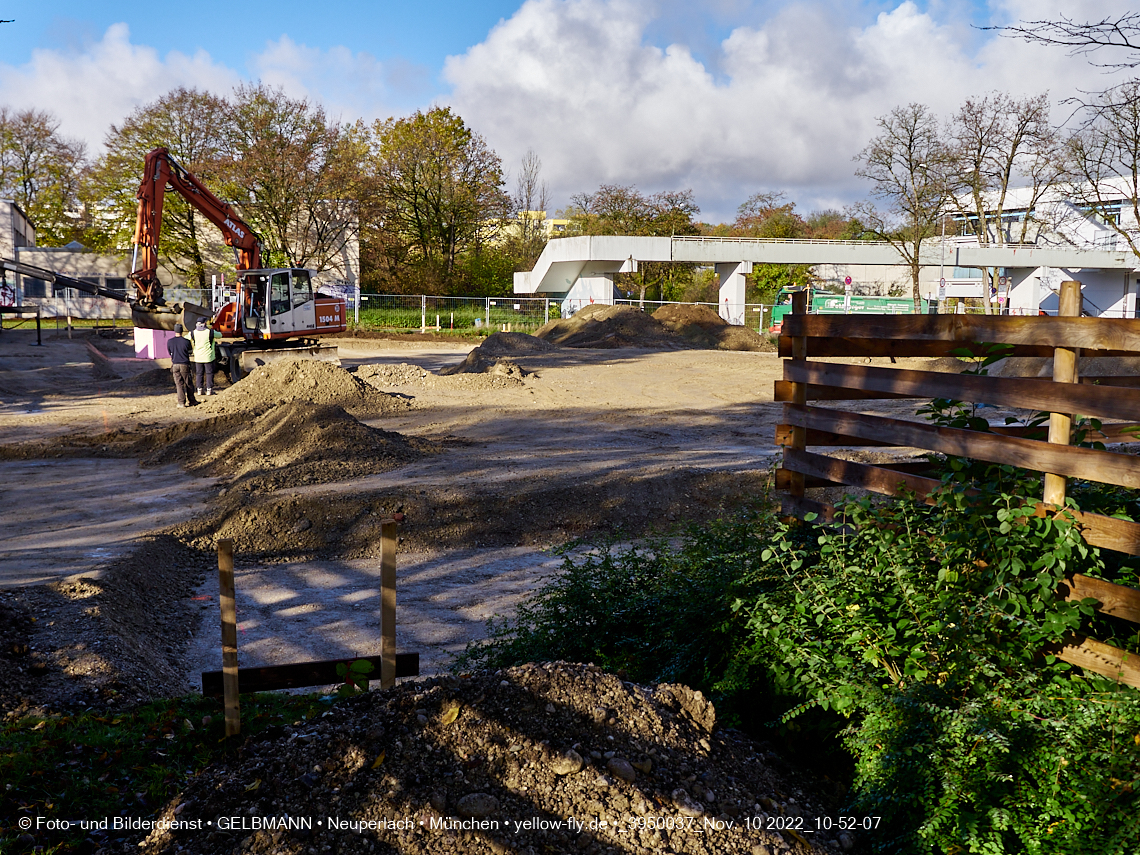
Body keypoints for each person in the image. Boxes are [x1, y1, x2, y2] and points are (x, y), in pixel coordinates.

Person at [167, 323, 197, 408]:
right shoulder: (186, 341)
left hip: (175, 364)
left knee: (179, 384)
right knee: (188, 383)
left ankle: (181, 403)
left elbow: (170, 352)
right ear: (182, 331)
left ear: (174, 331)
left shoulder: (170, 341)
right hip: (184, 364)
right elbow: (190, 351)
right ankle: (192, 401)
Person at [188, 318, 218, 395]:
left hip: (198, 357)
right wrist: (210, 327)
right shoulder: (210, 332)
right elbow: (220, 335)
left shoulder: (192, 333)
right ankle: (209, 390)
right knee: (209, 373)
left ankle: (199, 390)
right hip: (208, 357)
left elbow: (185, 338)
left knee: (199, 373)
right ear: (205, 323)